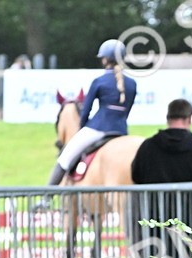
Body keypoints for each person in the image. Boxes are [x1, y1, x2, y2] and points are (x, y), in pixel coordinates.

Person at [131, 98, 192, 258]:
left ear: (168, 118)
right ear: (190, 119)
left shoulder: (147, 148)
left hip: (156, 228)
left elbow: (136, 176)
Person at [47, 39, 137, 185]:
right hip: (121, 130)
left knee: (64, 159)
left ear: (106, 59)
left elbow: (86, 111)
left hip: (98, 128)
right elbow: (126, 112)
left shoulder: (99, 81)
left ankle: (46, 199)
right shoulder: (132, 83)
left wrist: (82, 128)